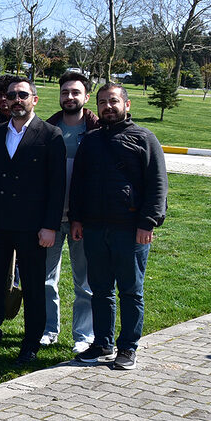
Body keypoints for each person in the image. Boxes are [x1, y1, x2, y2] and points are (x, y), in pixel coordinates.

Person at [71, 84, 168, 371]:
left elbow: (157, 185)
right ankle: (102, 342)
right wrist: (77, 218)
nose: (108, 107)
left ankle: (128, 347)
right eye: (102, 102)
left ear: (127, 105)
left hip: (131, 229)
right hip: (95, 228)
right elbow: (78, 185)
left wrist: (148, 222)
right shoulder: (90, 141)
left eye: (113, 101)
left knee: (130, 290)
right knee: (100, 289)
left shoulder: (144, 139)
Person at [0, 78, 66, 364]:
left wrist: (50, 226)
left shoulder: (51, 135)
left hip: (33, 226)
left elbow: (57, 185)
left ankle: (30, 342)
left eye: (22, 95)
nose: (16, 99)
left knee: (34, 286)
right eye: (11, 95)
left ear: (34, 99)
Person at [43, 71, 99, 352]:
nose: (69, 97)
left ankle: (83, 335)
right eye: (65, 92)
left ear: (86, 97)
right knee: (46, 279)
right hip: (51, 219)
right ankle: (48, 329)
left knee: (84, 282)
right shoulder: (47, 129)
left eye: (76, 92)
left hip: (82, 220)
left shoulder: (97, 131)